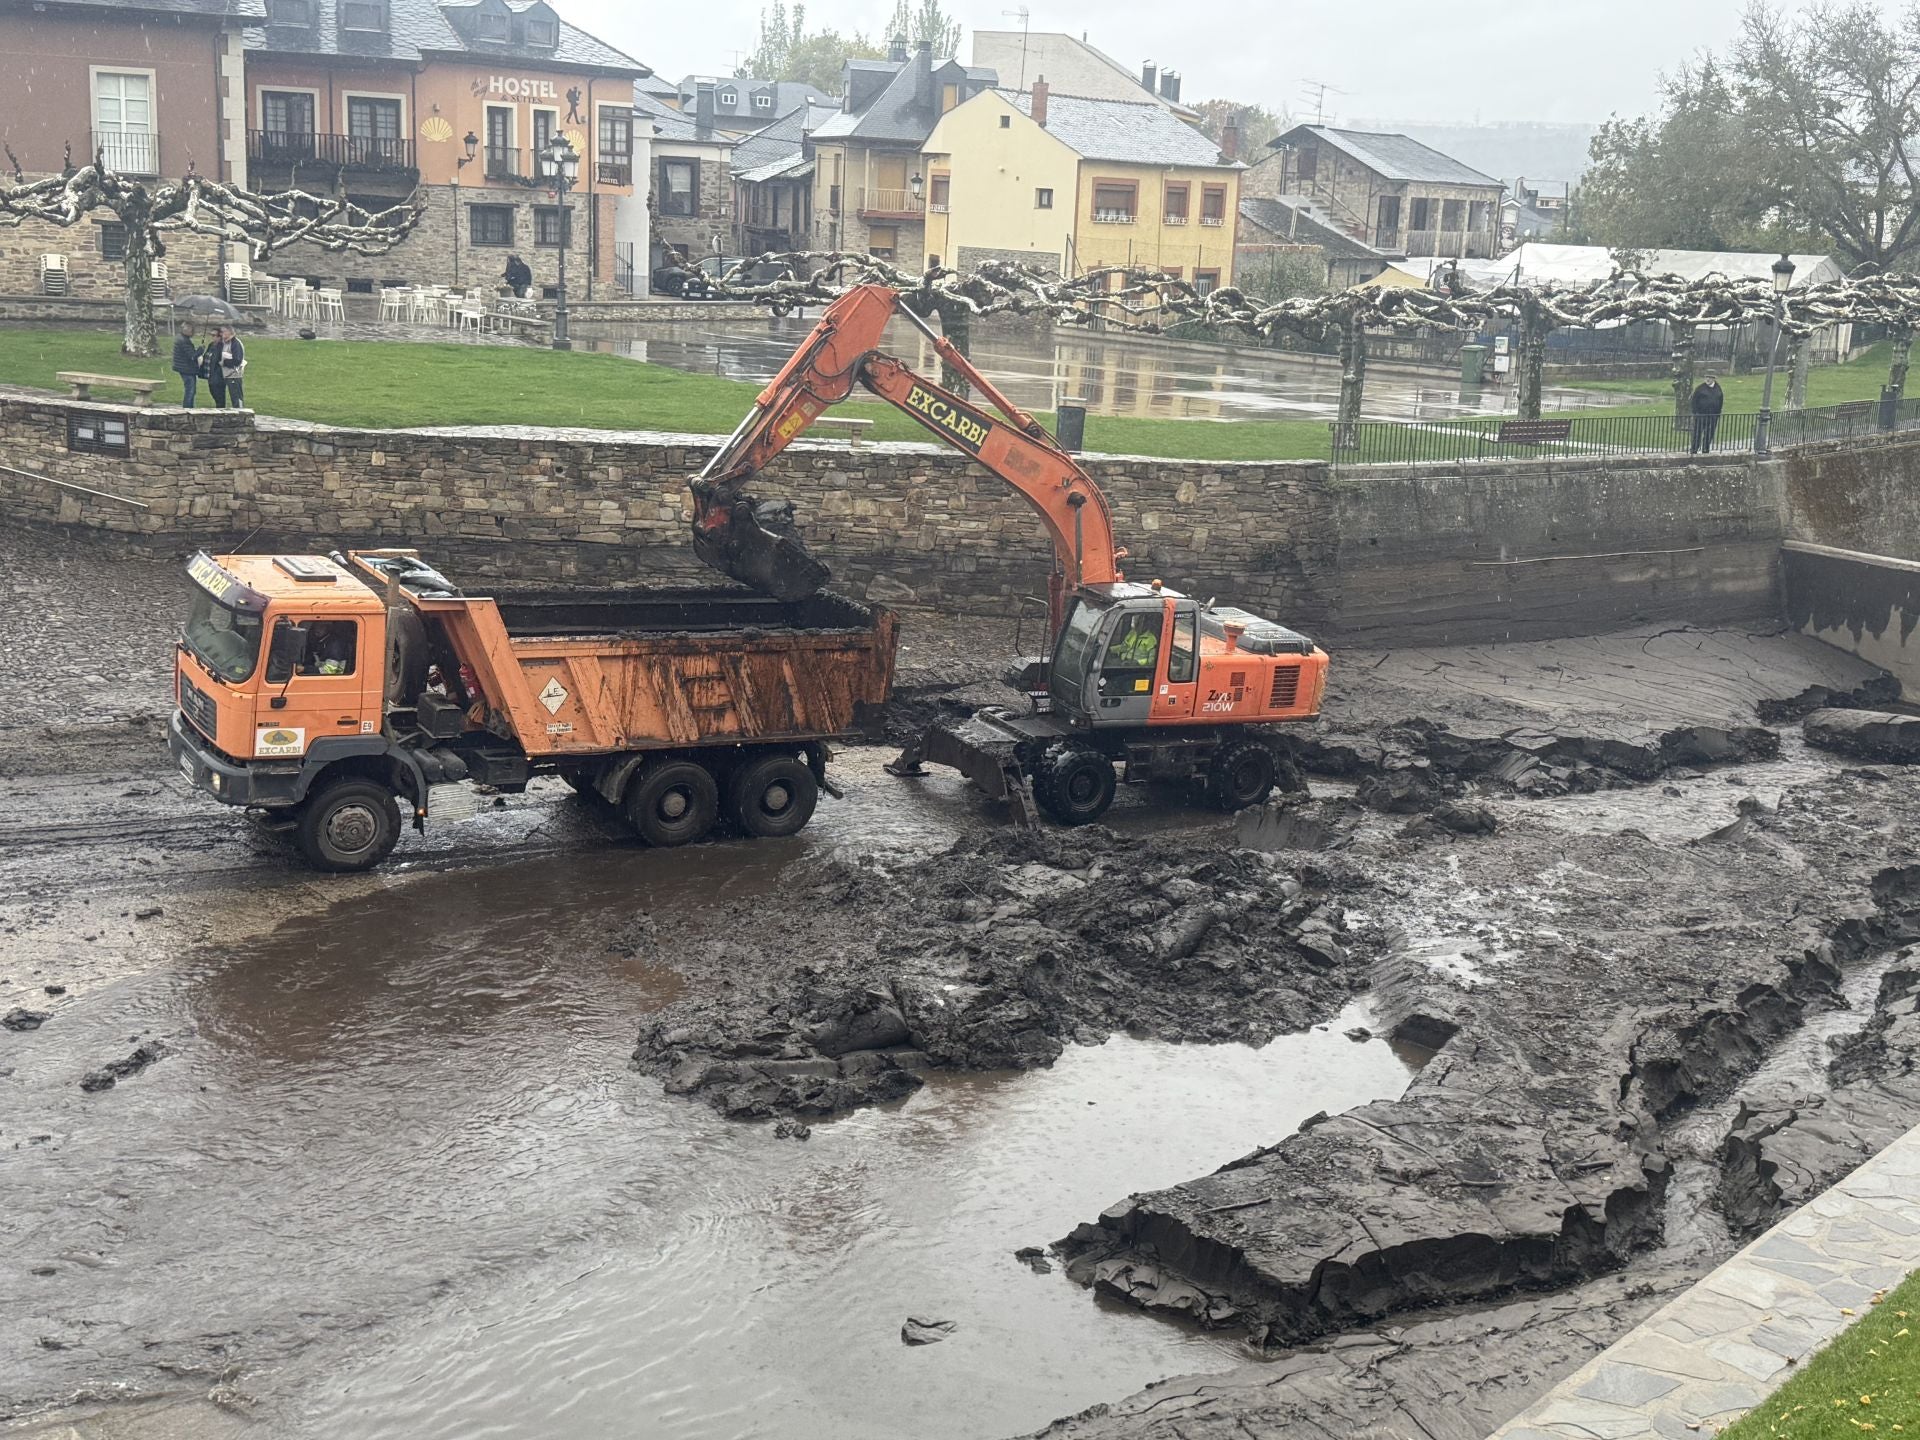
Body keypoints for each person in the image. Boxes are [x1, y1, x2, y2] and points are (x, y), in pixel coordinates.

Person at [208, 326, 246, 409]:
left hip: (234, 375)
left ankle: (240, 414)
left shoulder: (235, 343)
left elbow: (237, 360)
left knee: (236, 397)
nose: (222, 334)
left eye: (224, 332)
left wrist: (224, 362)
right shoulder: (225, 343)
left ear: (229, 333)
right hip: (227, 374)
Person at [1690, 373, 1725, 454]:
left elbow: (1720, 401)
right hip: (1701, 416)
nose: (1707, 379)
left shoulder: (1718, 389)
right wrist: (1696, 413)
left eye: (1710, 377)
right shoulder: (1700, 388)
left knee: (1709, 434)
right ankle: (1694, 450)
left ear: (1714, 378)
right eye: (1706, 377)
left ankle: (1705, 450)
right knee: (1697, 434)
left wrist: (1717, 414)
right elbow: (1693, 401)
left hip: (1713, 416)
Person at [171, 322, 200, 407]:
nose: (193, 332)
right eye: (192, 330)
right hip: (186, 369)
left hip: (183, 367)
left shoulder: (181, 338)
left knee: (191, 390)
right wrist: (200, 350)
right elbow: (192, 356)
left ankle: (190, 406)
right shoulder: (184, 341)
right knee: (190, 390)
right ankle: (188, 408)